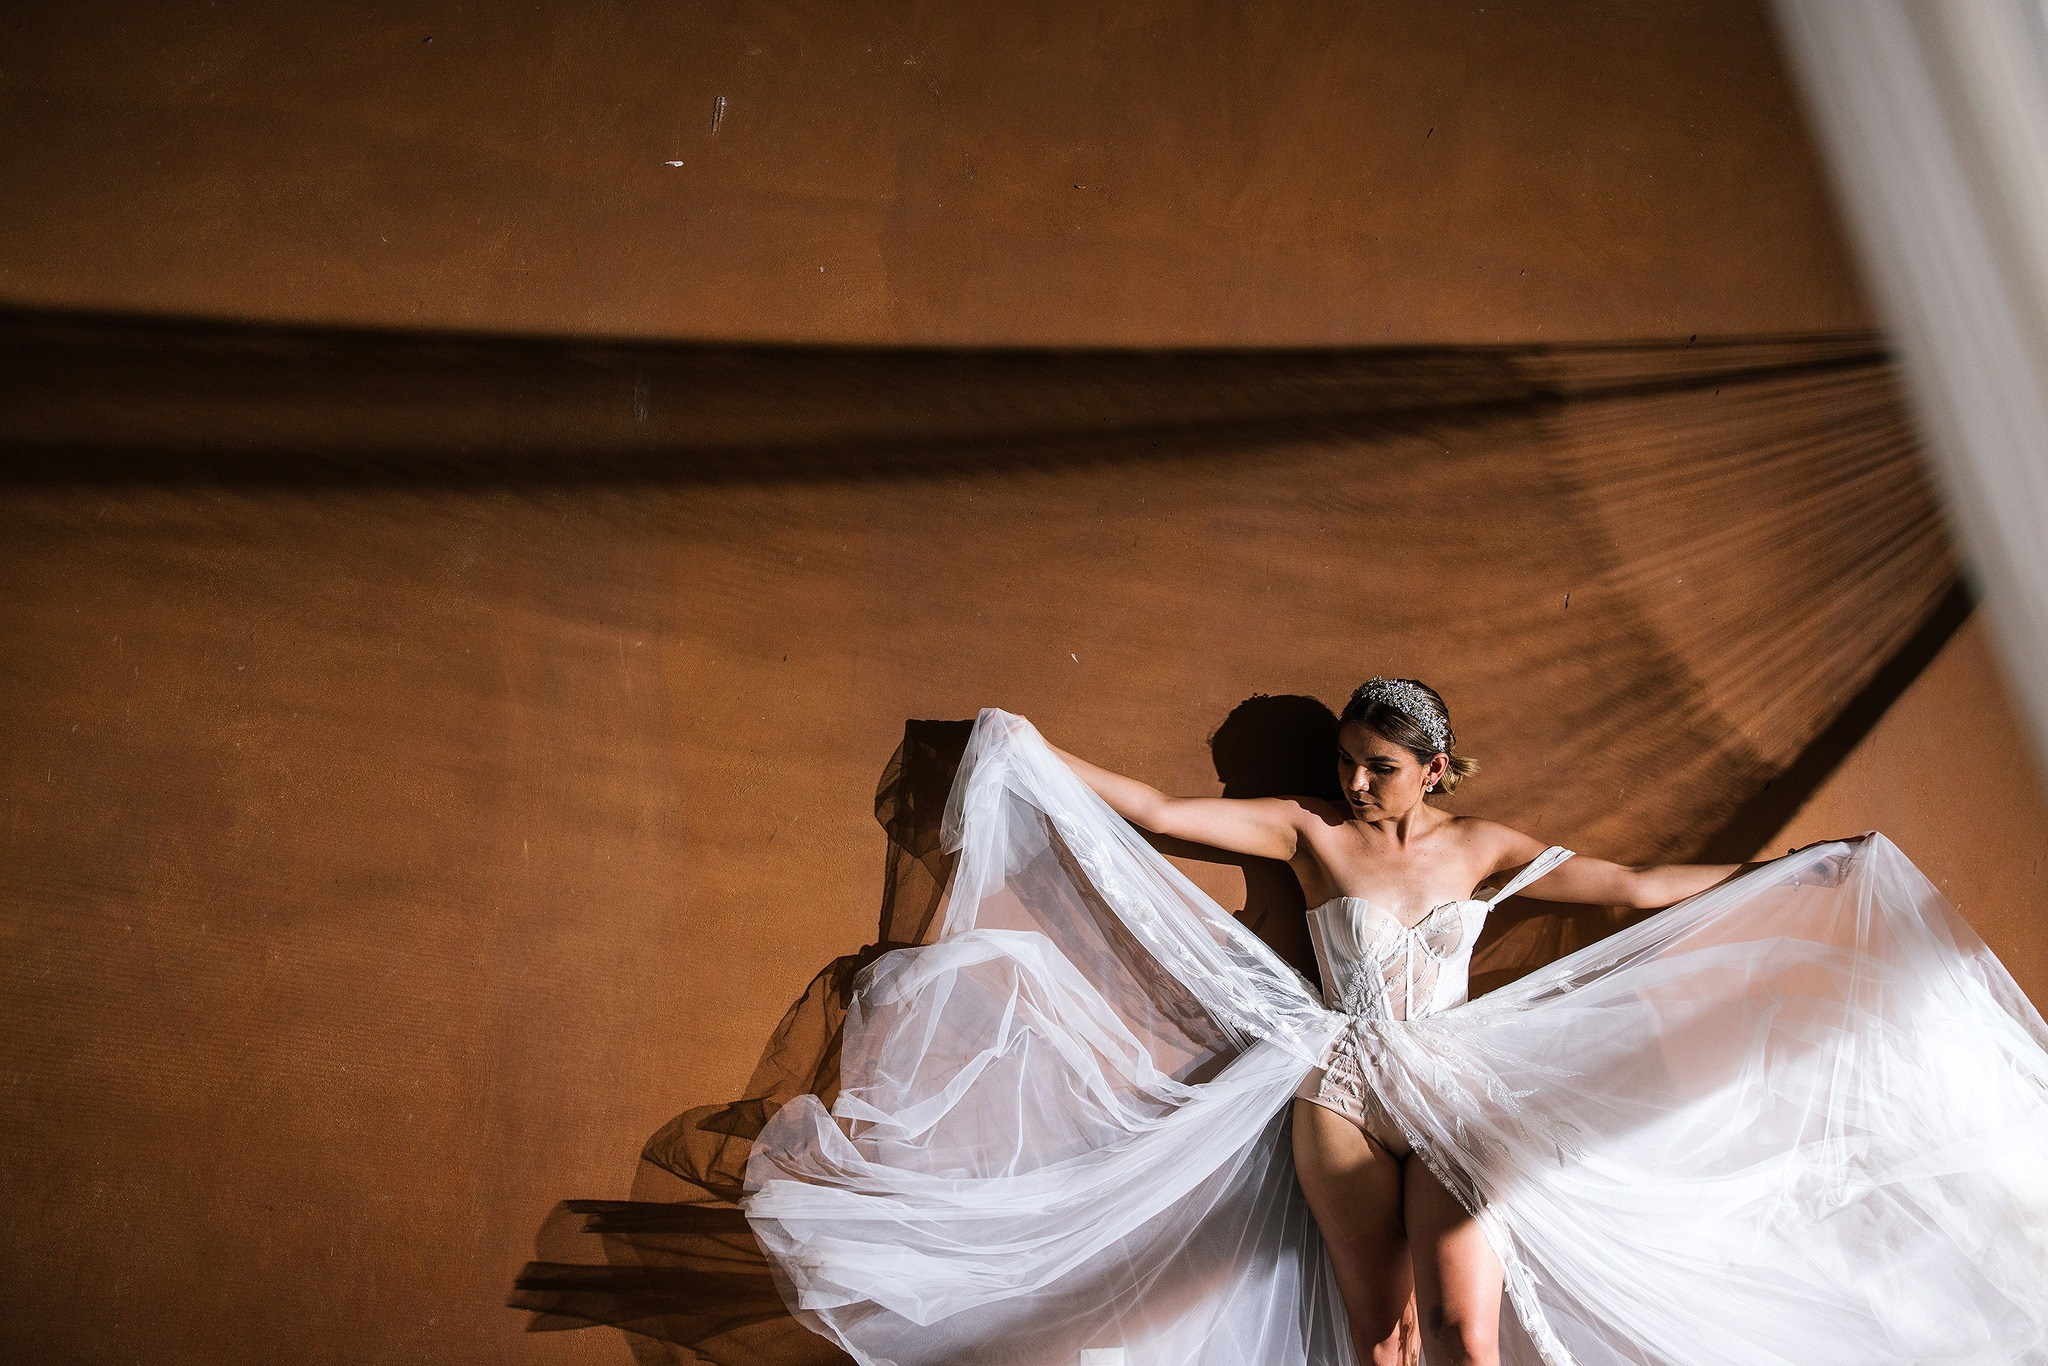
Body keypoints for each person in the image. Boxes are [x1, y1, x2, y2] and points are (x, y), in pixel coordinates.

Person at [744, 686, 2048, 1366]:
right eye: (1348, 763)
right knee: (1383, 1337)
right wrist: (1029, 745)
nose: (1356, 781)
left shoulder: (1486, 847)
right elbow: (1152, 808)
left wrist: (1798, 866)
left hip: (1463, 1090)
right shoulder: (1308, 833)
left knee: (1468, 1332)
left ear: (1435, 766)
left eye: (1380, 764)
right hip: (1341, 1087)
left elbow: (1638, 886)